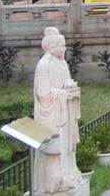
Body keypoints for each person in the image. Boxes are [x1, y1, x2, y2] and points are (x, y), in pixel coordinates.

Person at [34, 27, 82, 193]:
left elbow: (66, 83)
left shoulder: (62, 63)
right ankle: (54, 181)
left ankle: (69, 173)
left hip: (65, 111)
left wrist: (71, 89)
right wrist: (63, 94)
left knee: (67, 147)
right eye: (62, 46)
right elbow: (43, 93)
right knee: (56, 148)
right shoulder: (45, 64)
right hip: (54, 114)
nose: (64, 48)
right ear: (52, 47)